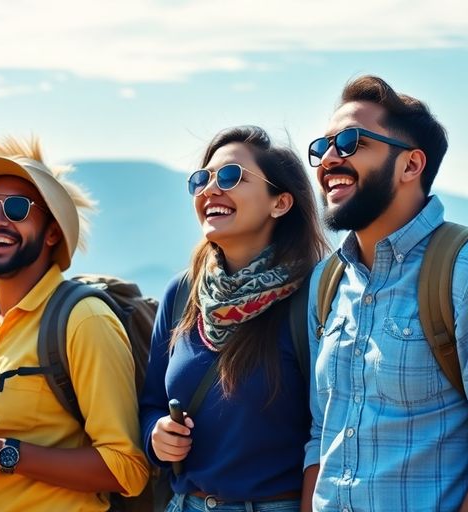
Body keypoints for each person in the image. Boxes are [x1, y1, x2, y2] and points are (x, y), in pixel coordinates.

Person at [304, 75, 468, 511]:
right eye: (323, 146)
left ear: (410, 165)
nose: (329, 159)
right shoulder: (328, 280)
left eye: (350, 142)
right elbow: (321, 431)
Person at [0, 136, 149, 511]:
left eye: (17, 208)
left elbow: (126, 468)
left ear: (51, 232)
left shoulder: (84, 321)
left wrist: (2, 454)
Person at [139, 126, 327, 512]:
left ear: (281, 203)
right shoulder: (182, 293)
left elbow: (327, 430)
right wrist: (156, 436)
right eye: (202, 179)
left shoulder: (314, 296)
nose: (210, 189)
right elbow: (151, 404)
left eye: (230, 176)